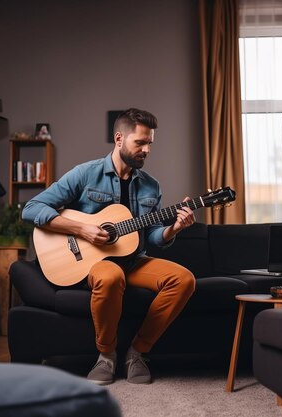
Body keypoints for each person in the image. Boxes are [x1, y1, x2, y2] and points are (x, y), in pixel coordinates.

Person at [21, 108, 196, 385]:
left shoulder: (152, 186)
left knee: (183, 279)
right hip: (95, 262)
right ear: (119, 139)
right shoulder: (85, 174)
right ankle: (106, 356)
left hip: (134, 260)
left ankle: (137, 352)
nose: (147, 149)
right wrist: (82, 229)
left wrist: (173, 228)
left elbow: (150, 236)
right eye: (140, 142)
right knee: (110, 276)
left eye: (150, 143)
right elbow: (32, 209)